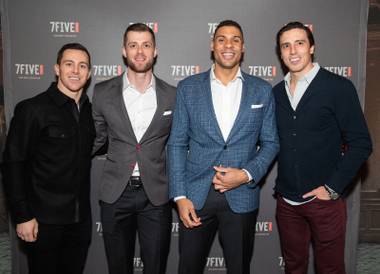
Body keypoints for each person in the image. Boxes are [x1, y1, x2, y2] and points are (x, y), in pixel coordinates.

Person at [168, 19, 279, 274]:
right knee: (188, 268)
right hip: (195, 196)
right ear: (212, 45)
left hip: (241, 196)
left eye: (235, 40)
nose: (228, 45)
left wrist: (246, 174)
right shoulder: (188, 88)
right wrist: (180, 196)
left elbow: (272, 142)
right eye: (221, 39)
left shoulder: (261, 90)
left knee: (239, 267)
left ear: (243, 48)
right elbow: (176, 144)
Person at [273, 21, 372, 274]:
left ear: (312, 47)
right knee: (294, 267)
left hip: (324, 203)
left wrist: (332, 188)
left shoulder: (338, 87)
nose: (293, 51)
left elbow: (361, 143)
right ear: (280, 53)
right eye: (286, 45)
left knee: (330, 269)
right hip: (286, 203)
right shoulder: (275, 94)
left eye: (299, 43)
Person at [3, 43, 94, 274]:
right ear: (57, 69)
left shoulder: (89, 113)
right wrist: (22, 216)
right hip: (43, 222)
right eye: (69, 64)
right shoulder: (33, 109)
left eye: (82, 66)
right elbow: (13, 164)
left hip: (79, 221)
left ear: (90, 73)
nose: (76, 71)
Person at [92, 23, 176, 274]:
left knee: (156, 266)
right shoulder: (103, 91)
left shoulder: (172, 95)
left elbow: (179, 143)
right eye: (133, 45)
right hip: (116, 194)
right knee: (118, 267)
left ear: (155, 51)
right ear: (124, 51)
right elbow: (95, 139)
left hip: (157, 196)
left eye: (146, 45)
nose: (140, 51)